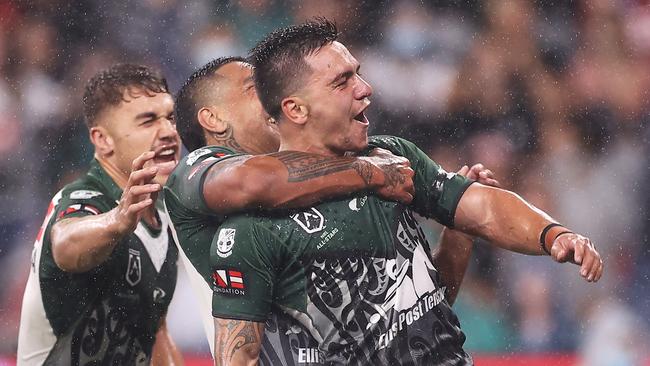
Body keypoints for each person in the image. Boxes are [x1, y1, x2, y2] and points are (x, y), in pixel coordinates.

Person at [208, 18, 604, 366]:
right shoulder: (253, 229)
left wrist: (553, 234)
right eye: (342, 82)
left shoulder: (393, 155)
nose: (365, 89)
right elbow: (238, 357)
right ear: (295, 110)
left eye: (357, 73)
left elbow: (480, 206)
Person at [164, 57, 496, 355]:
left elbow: (414, 313)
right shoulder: (197, 172)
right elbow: (252, 182)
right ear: (213, 118)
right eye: (254, 87)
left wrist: (459, 234)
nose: (269, 95)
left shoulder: (329, 183)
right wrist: (370, 173)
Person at [17, 64, 183, 365]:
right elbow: (65, 246)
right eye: (148, 121)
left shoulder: (162, 217)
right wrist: (117, 220)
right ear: (103, 140)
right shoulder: (83, 197)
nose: (169, 132)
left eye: (169, 117)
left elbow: (156, 332)